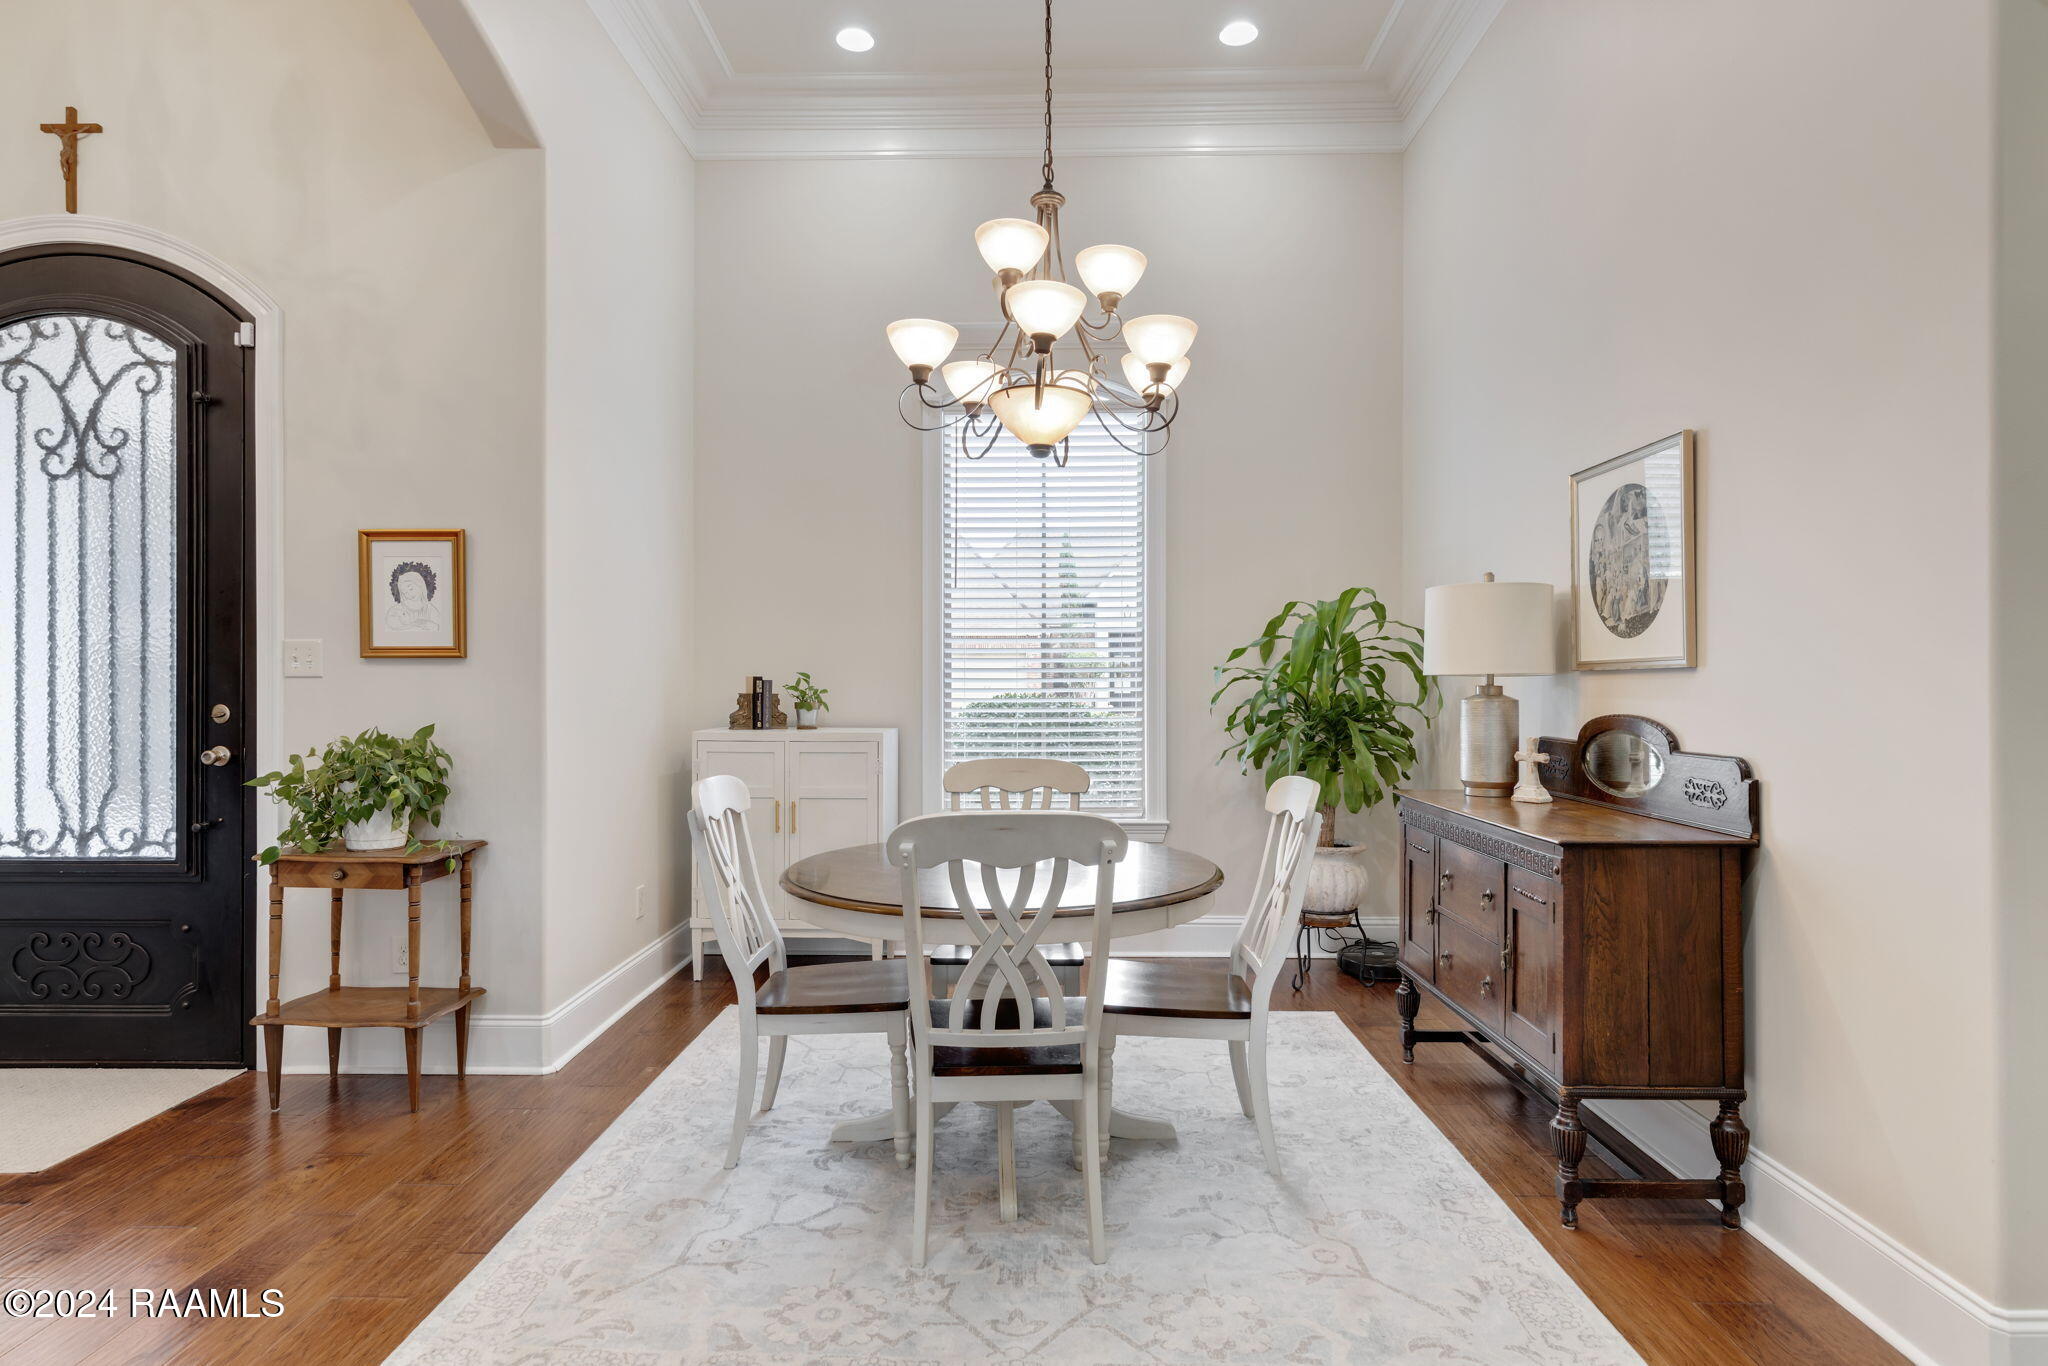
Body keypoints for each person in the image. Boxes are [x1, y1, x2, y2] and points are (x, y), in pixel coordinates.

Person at [386, 559, 440, 633]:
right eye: (405, 592)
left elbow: (436, 627)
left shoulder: (430, 609)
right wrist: (417, 624)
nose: (408, 593)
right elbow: (392, 626)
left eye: (410, 588)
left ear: (420, 585)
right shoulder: (398, 609)